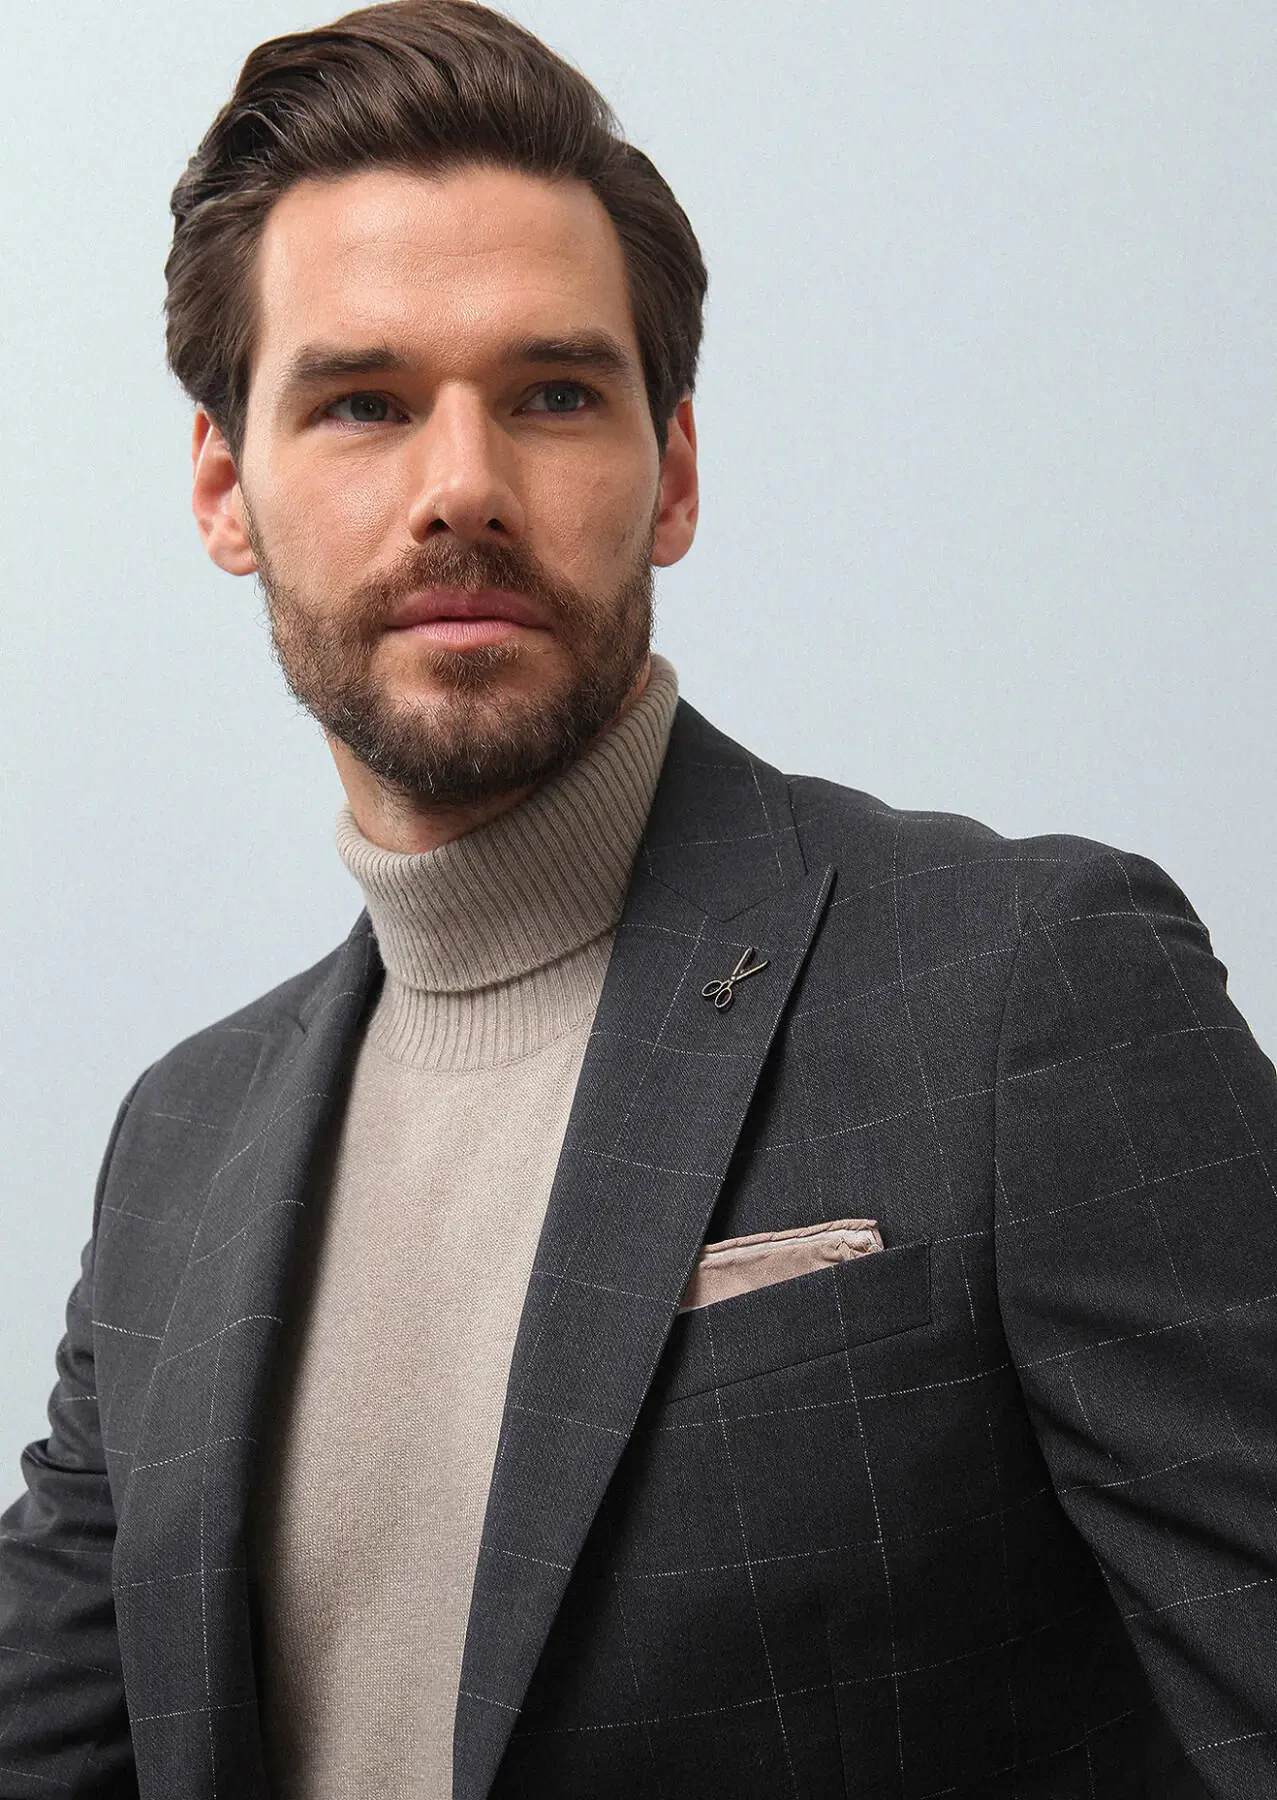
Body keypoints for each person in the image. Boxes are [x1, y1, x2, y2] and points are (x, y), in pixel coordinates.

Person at [2, 4, 1275, 1796]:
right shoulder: (178, 1148)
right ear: (227, 489)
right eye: (364, 403)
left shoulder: (1024, 989)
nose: (462, 488)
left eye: (552, 395)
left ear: (671, 473)